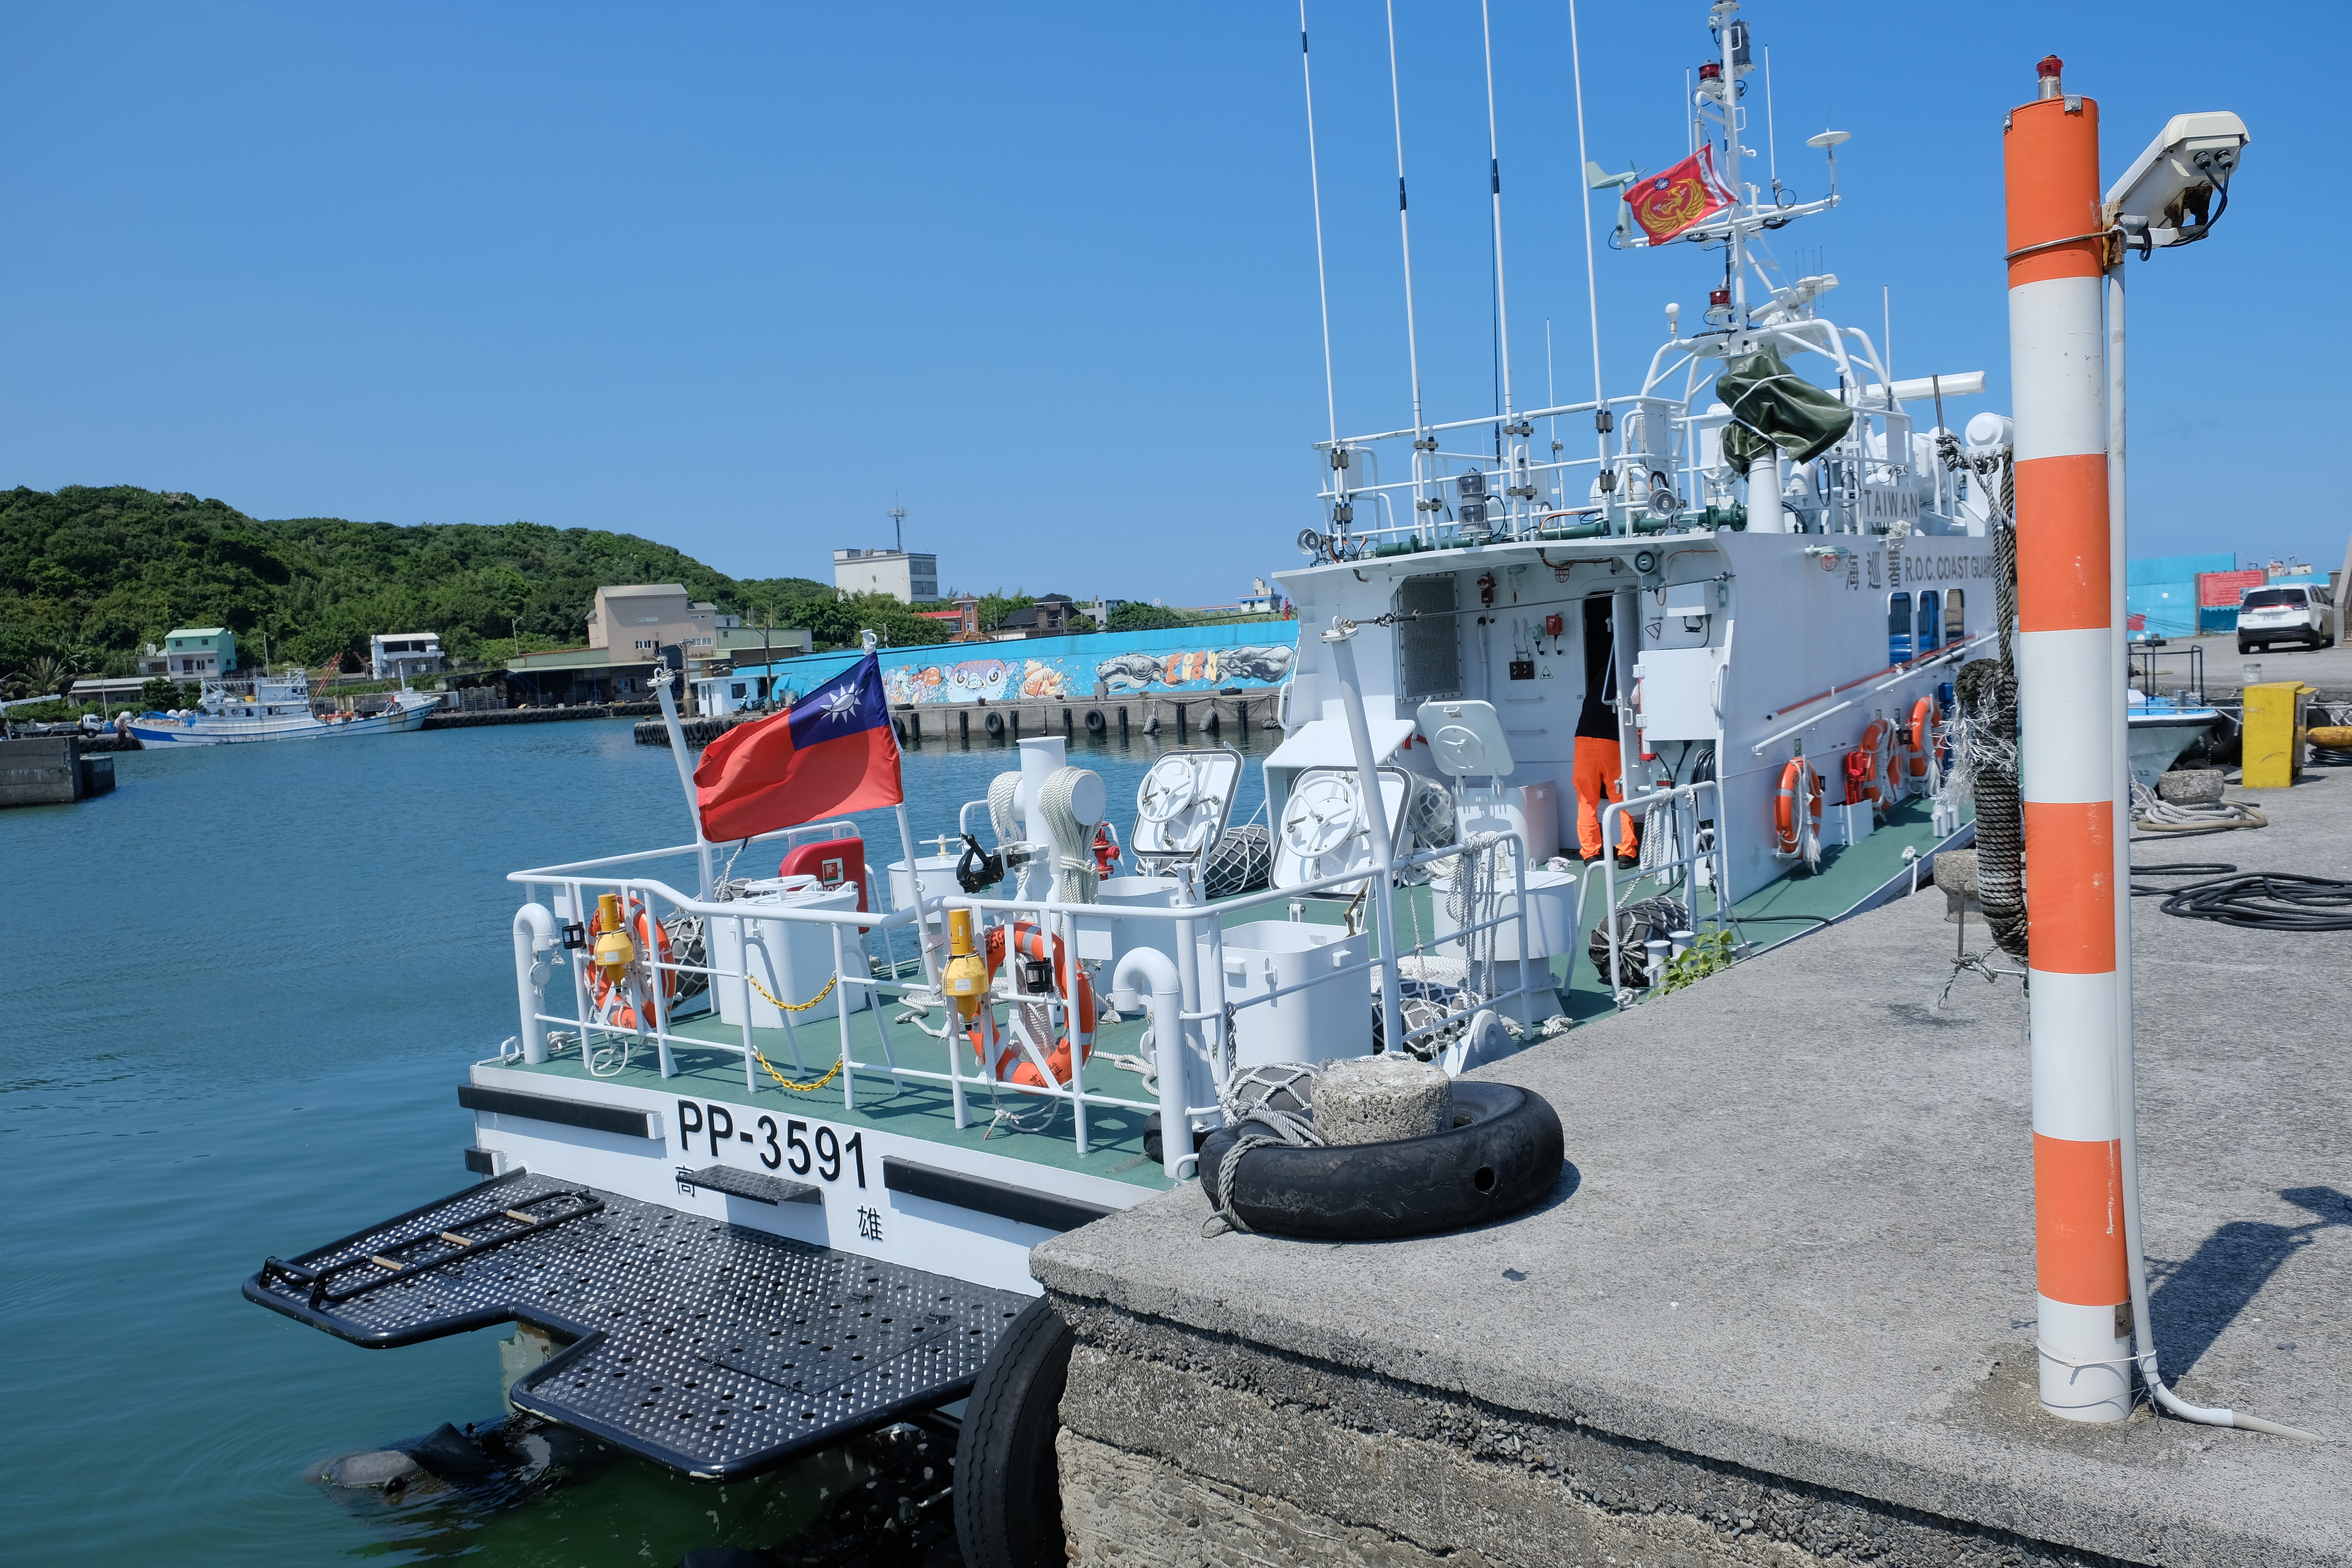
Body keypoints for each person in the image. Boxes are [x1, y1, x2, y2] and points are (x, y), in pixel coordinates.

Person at [1573, 599, 1637, 865]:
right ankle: (1626, 852)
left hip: (1583, 740)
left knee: (1586, 799)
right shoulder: (1627, 678)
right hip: (1610, 742)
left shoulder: (1601, 673)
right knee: (1621, 796)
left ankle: (1590, 854)